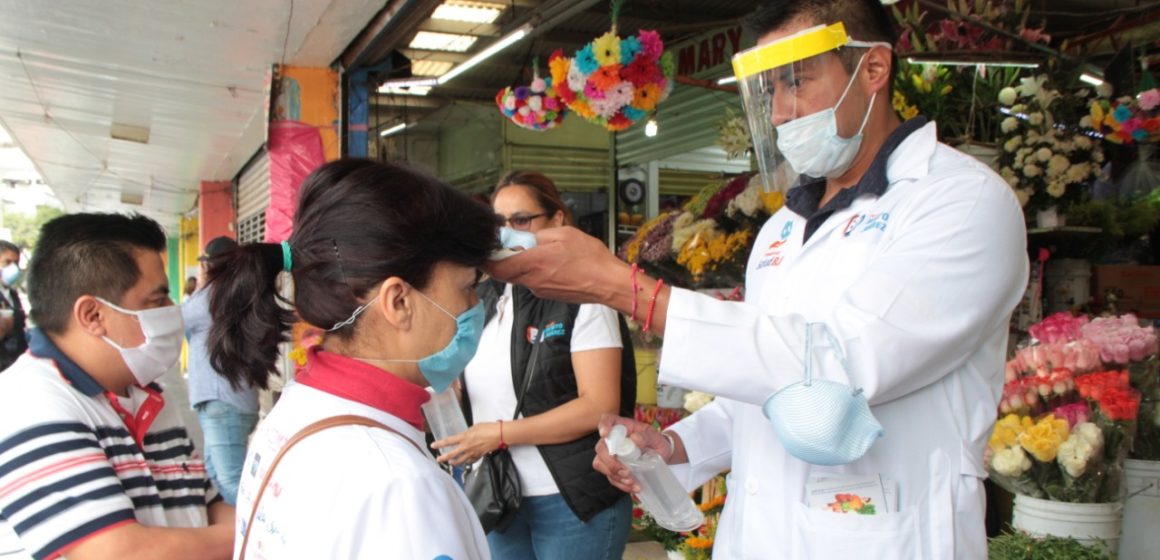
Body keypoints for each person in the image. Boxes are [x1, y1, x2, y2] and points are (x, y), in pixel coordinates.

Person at [486, 1, 1030, 557]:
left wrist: (625, 289)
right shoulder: (781, 229)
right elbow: (765, 394)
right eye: (769, 90)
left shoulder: (960, 202)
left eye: (797, 81)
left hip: (889, 534)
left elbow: (837, 375)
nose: (780, 112)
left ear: (873, 70)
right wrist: (674, 443)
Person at [208, 159, 497, 559]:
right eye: (467, 287)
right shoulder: (399, 484)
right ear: (399, 302)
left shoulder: (297, 407)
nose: (475, 305)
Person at [0, 213, 233, 560]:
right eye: (156, 301)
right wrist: (260, 532)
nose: (174, 312)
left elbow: (206, 504)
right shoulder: (29, 403)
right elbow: (118, 553)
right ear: (93, 315)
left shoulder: (147, 396)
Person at [434, 171, 635, 559]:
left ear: (557, 221)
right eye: (498, 224)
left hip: (572, 502)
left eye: (521, 221)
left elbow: (599, 406)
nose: (507, 234)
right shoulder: (485, 297)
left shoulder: (584, 297)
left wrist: (499, 434)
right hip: (500, 498)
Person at [182, 236, 258, 506]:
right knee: (215, 474)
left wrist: (203, 286)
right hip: (234, 399)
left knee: (229, 481)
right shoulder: (243, 292)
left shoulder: (213, 296)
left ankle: (263, 535)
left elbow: (180, 319)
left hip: (222, 401)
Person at [0, 240, 28, 372]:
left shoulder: (12, 292)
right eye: (7, 262)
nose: (14, 268)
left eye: (16, 263)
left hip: (16, 363)